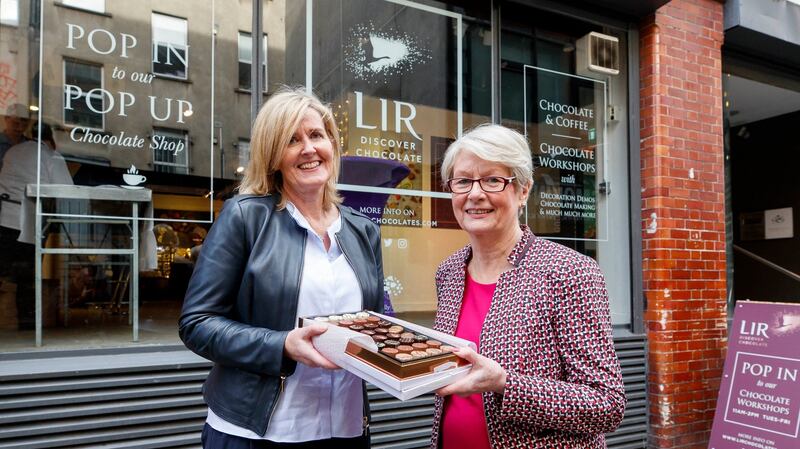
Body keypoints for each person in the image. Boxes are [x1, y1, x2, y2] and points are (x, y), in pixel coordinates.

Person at [179, 87, 385, 448]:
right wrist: (281, 345)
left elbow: (373, 321)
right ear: (274, 157)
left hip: (346, 426)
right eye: (292, 140)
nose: (308, 149)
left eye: (316, 135)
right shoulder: (244, 217)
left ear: (332, 145)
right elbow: (197, 324)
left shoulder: (362, 229)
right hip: (260, 431)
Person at [430, 124, 625, 448]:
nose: (475, 194)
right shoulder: (448, 272)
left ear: (522, 191)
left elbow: (606, 404)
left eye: (493, 180)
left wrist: (505, 384)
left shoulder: (569, 272)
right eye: (463, 181)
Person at [0, 122, 72, 330]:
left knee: (4, 273)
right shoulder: (51, 156)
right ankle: (27, 324)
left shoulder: (14, 151)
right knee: (26, 277)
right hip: (29, 222)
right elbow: (66, 191)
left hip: (3, 218)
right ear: (51, 140)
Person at [0, 103, 30, 171]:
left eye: (25, 125)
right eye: (15, 124)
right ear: (6, 119)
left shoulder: (30, 145)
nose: (20, 128)